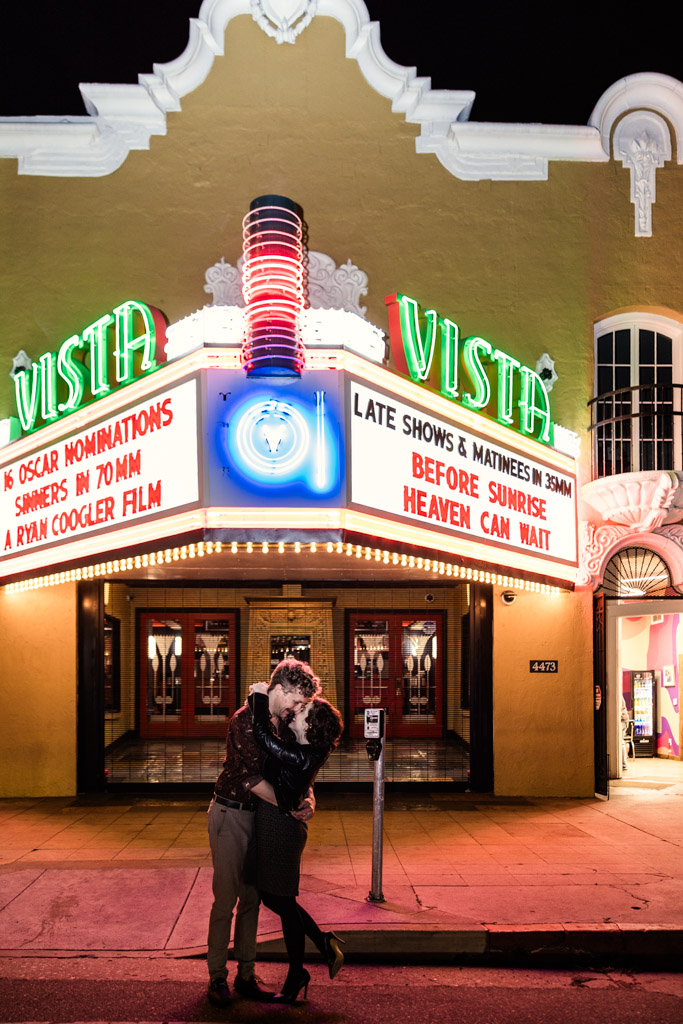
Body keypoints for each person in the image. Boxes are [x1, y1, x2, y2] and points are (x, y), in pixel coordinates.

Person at [206, 658, 320, 1007]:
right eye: (297, 701)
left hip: (261, 818)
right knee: (226, 899)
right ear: (280, 689)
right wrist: (290, 806)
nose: (298, 709)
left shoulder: (283, 727)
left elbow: (297, 773)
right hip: (231, 813)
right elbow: (252, 780)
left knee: (252, 900)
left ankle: (245, 974)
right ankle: (217, 977)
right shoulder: (244, 721)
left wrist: (309, 800)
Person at [248, 678, 344, 1004]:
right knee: (275, 898)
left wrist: (258, 696)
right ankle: (323, 944)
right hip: (281, 823)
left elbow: (262, 737)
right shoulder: (303, 747)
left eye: (305, 710)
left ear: (311, 726)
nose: (298, 710)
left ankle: (297, 972)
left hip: (283, 828)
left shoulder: (302, 754)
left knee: (281, 900)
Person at [620, 695, 631, 772]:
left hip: (623, 720)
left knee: (620, 742)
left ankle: (623, 764)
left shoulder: (617, 695)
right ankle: (623, 763)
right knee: (621, 741)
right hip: (624, 719)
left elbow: (619, 710)